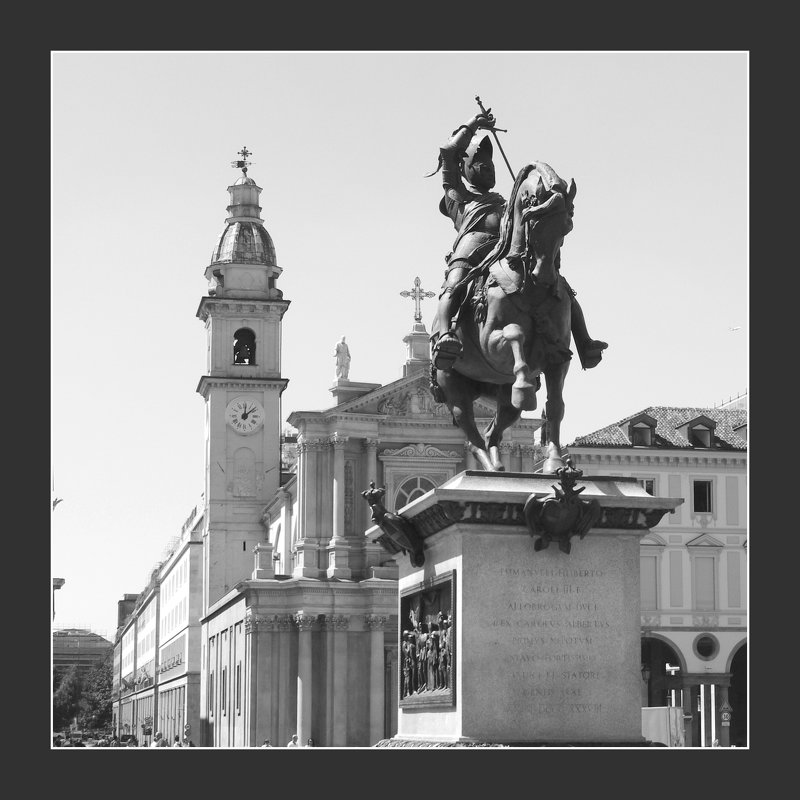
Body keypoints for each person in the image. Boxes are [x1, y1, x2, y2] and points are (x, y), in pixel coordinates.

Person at [430, 108, 606, 372]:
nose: (489, 170)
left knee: (561, 287)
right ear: (466, 170)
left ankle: (584, 342)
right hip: (473, 250)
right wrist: (473, 125)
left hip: (506, 252)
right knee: (455, 283)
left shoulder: (504, 202)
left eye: (491, 166)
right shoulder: (459, 198)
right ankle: (445, 335)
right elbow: (448, 153)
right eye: (481, 166)